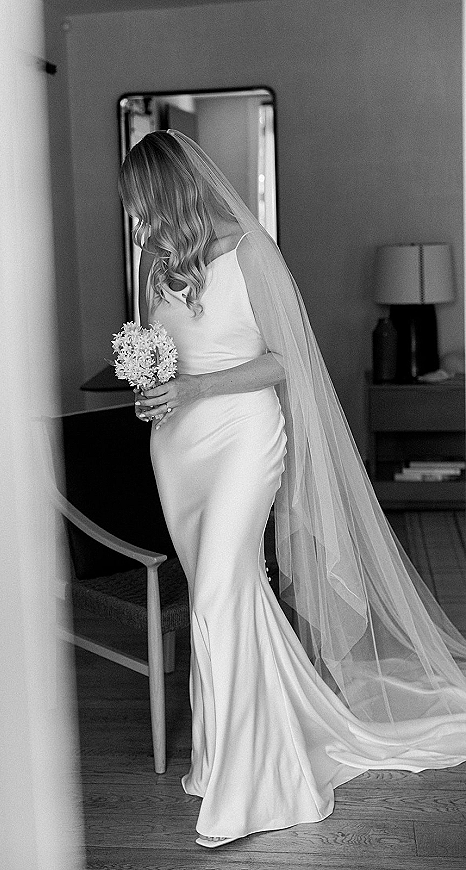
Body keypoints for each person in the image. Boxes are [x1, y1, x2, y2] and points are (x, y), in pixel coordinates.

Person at [118, 129, 466, 849]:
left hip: (245, 435)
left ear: (173, 193)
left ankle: (252, 787)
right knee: (233, 596)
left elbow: (288, 362)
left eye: (143, 206)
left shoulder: (251, 252)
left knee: (216, 594)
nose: (137, 223)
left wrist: (197, 386)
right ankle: (225, 759)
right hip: (177, 450)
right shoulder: (157, 261)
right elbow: (166, 349)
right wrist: (153, 387)